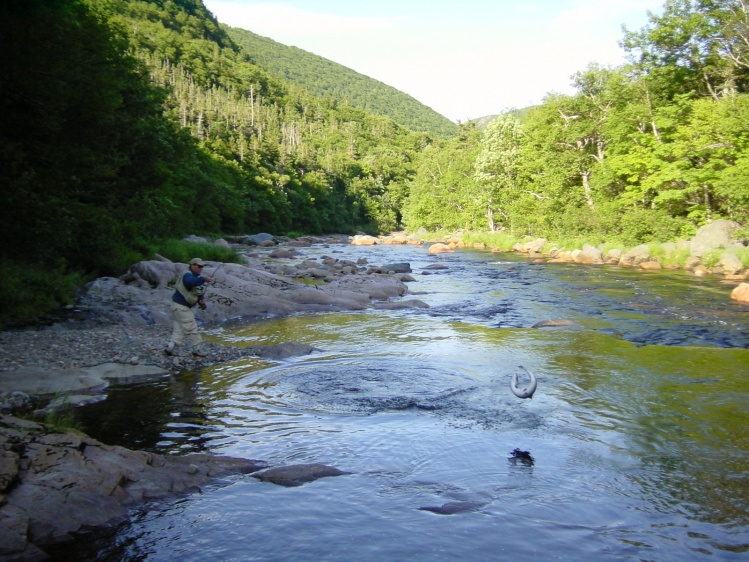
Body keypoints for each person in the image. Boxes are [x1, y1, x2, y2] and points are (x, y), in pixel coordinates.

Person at [165, 258, 213, 357]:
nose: (201, 268)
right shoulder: (187, 275)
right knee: (192, 328)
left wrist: (201, 301)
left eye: (202, 266)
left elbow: (197, 291)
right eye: (199, 266)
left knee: (179, 329)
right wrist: (203, 279)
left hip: (177, 307)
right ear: (192, 265)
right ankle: (197, 350)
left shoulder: (195, 277)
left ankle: (170, 347)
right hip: (181, 307)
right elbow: (190, 282)